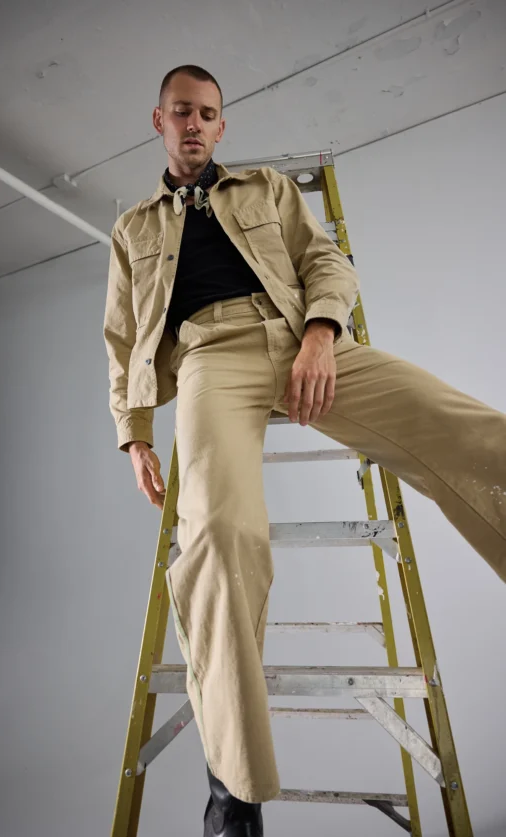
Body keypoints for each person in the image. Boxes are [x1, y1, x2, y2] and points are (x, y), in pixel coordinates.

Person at [103, 64, 506, 837]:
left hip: (299, 340)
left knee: (466, 424)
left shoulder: (267, 192)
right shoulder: (133, 230)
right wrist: (135, 435)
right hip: (208, 361)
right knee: (220, 539)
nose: (195, 123)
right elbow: (122, 342)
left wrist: (321, 337)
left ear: (223, 126)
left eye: (209, 113)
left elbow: (326, 264)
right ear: (158, 118)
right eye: (182, 111)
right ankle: (234, 785)